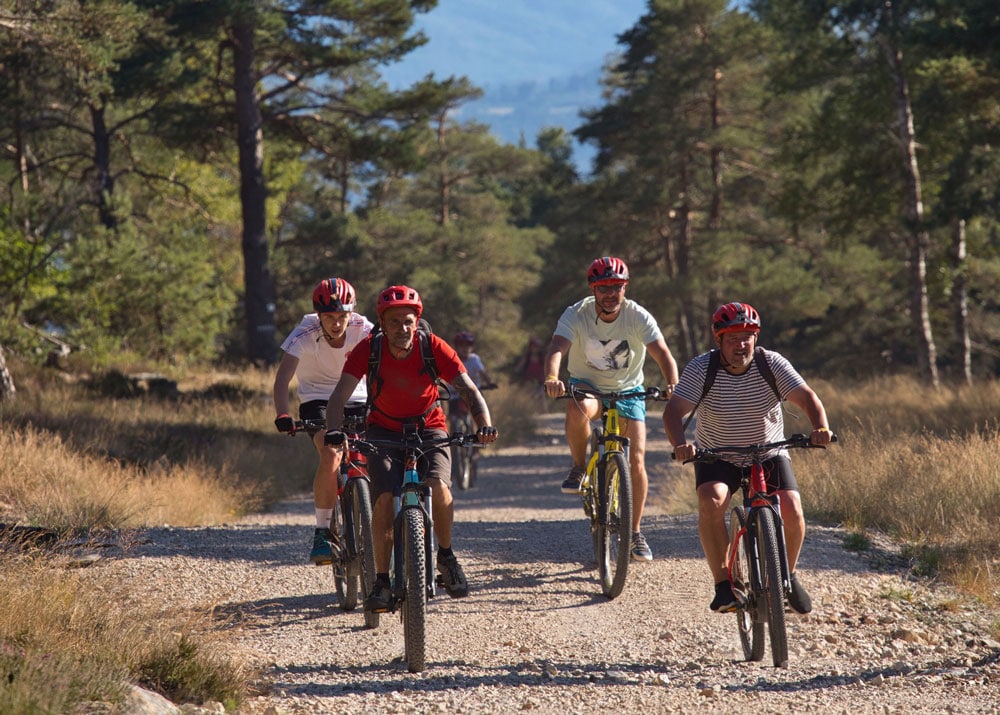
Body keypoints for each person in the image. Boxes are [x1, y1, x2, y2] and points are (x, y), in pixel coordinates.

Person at [324, 285, 499, 612]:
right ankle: (381, 580)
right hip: (383, 429)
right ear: (382, 323)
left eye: (408, 321)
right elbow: (338, 398)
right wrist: (334, 431)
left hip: (429, 426)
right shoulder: (369, 350)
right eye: (394, 322)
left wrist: (483, 424)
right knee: (385, 501)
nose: (402, 329)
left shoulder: (433, 346)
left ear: (417, 321)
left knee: (439, 488)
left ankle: (446, 557)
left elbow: (470, 391)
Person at [662, 301, 832, 614]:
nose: (741, 345)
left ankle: (788, 577)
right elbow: (673, 412)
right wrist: (681, 443)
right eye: (732, 338)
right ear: (719, 341)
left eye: (747, 337)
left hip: (767, 452)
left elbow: (807, 398)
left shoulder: (772, 364)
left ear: (756, 337)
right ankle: (723, 585)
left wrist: (820, 427)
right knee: (711, 500)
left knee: (792, 508)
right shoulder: (703, 368)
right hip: (717, 454)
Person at [543, 256, 679, 562]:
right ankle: (579, 465)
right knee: (577, 410)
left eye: (616, 287)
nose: (610, 294)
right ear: (593, 288)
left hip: (628, 391)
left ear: (625, 288)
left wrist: (673, 384)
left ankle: (634, 533)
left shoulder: (637, 316)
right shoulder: (576, 314)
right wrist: (552, 378)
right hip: (588, 386)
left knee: (638, 460)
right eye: (603, 287)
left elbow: (664, 355)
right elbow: (557, 349)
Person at [272, 277, 373, 565]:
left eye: (343, 316)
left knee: (377, 458)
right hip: (316, 402)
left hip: (357, 397)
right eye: (329, 317)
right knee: (330, 453)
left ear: (351, 313)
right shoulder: (304, 334)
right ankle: (322, 532)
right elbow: (282, 380)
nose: (337, 323)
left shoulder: (364, 329)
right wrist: (282, 413)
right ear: (318, 315)